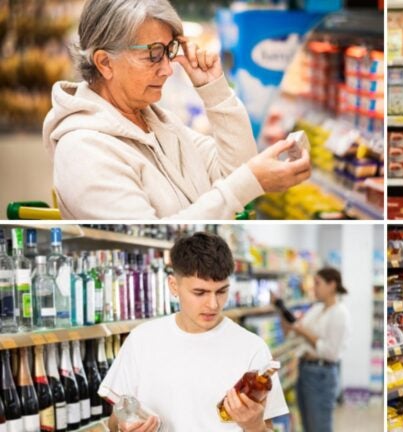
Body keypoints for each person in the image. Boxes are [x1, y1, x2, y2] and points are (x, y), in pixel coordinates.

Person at [42, 0, 311, 219]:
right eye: (153, 54)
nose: (169, 69)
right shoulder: (84, 150)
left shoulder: (159, 123)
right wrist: (250, 181)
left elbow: (234, 171)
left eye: (168, 51)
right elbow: (154, 240)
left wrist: (215, 92)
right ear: (105, 62)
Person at [99, 232, 288, 431]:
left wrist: (254, 425)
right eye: (200, 292)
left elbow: (268, 428)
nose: (213, 304)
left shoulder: (252, 348)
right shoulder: (141, 340)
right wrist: (124, 428)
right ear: (174, 286)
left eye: (221, 291)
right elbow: (114, 420)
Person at [279, 268, 351, 432]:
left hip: (322, 374)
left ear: (332, 285)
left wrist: (303, 332)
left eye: (318, 283)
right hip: (304, 370)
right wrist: (282, 312)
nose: (314, 288)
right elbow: (293, 334)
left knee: (319, 426)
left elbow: (331, 352)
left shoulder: (340, 314)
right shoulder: (316, 309)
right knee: (307, 426)